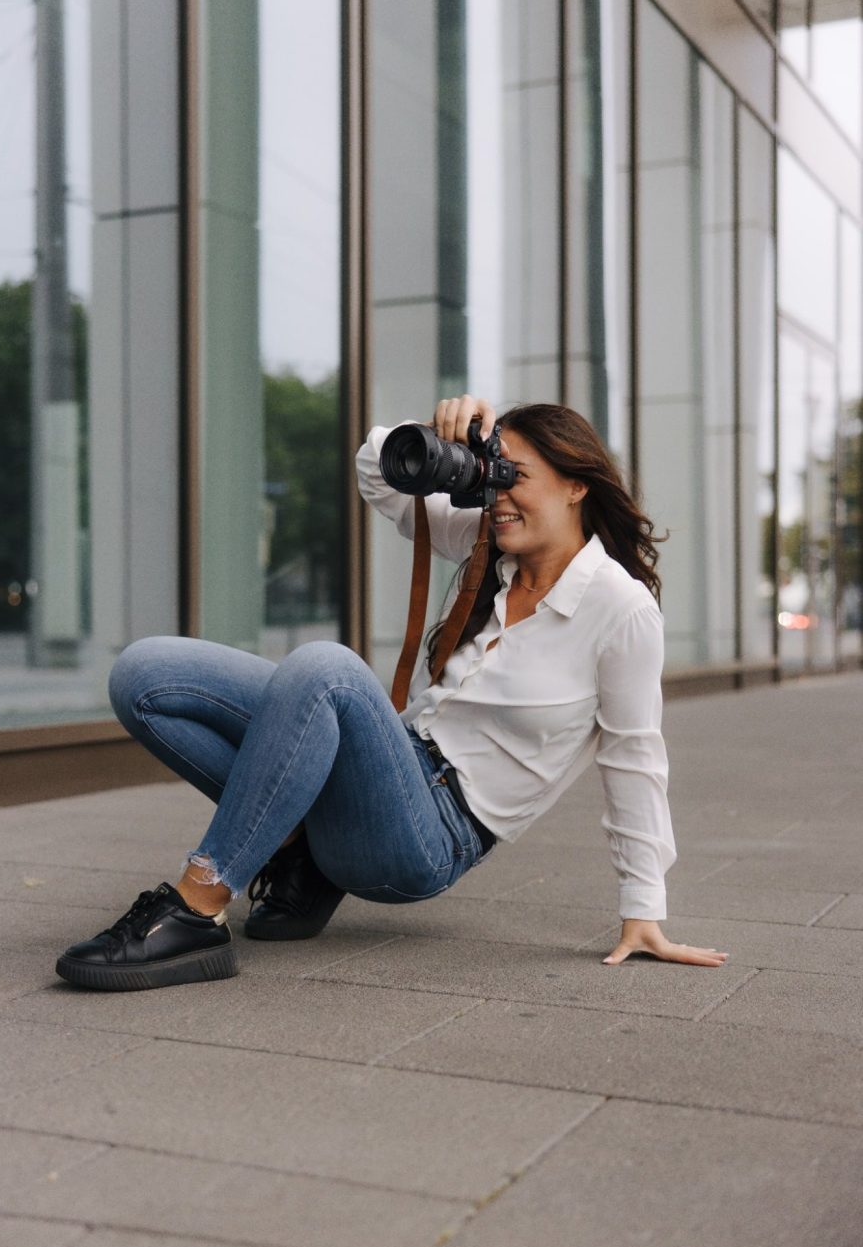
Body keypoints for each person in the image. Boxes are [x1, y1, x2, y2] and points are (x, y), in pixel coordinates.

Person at [56, 395, 727, 990]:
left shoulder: (620, 608)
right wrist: (445, 432)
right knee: (144, 674)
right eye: (493, 480)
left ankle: (198, 905)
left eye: (514, 478)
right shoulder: (489, 543)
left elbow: (635, 757)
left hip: (428, 834)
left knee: (327, 670)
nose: (497, 498)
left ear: (577, 486)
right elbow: (377, 469)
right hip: (390, 762)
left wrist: (644, 910)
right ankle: (298, 850)